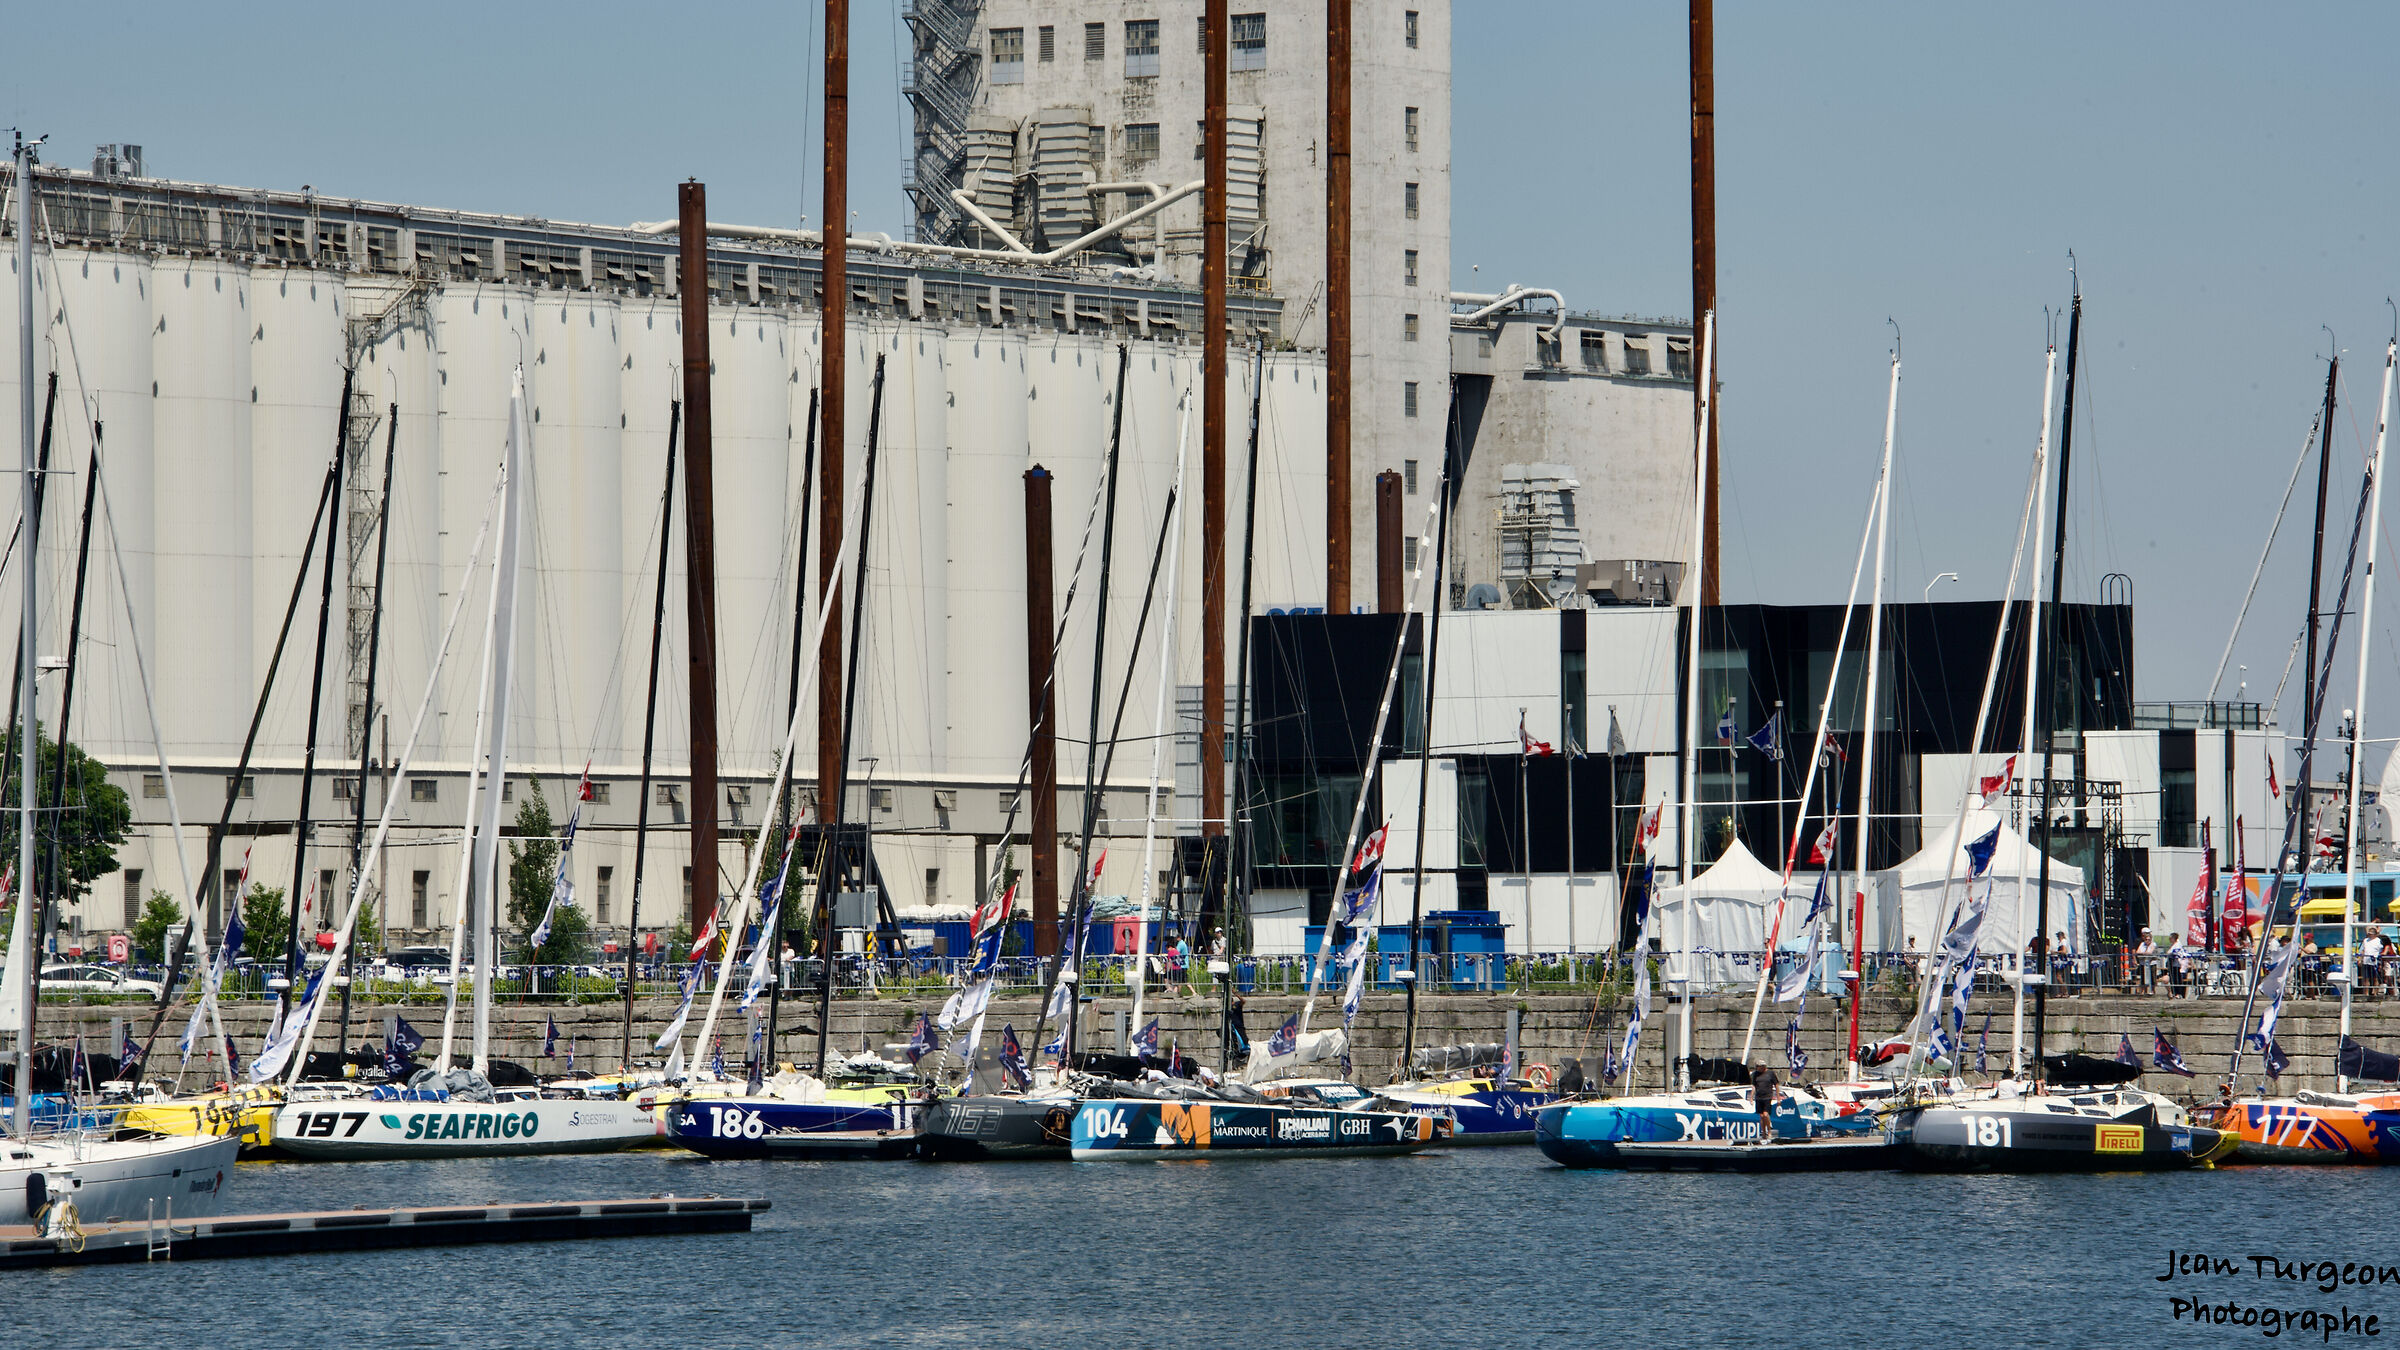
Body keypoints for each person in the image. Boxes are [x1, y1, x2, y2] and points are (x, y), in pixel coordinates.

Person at [1749, 1060, 1779, 1144]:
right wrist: (1751, 1097)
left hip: (1767, 1096)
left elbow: (1776, 1084)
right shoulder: (1755, 1074)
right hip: (1759, 1097)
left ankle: (1769, 1131)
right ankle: (1764, 1134)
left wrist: (1778, 1097)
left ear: (1763, 1067)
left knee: (1766, 1114)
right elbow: (1754, 1086)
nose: (1757, 1068)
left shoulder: (1770, 1073)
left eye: (1758, 1067)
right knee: (1761, 1116)